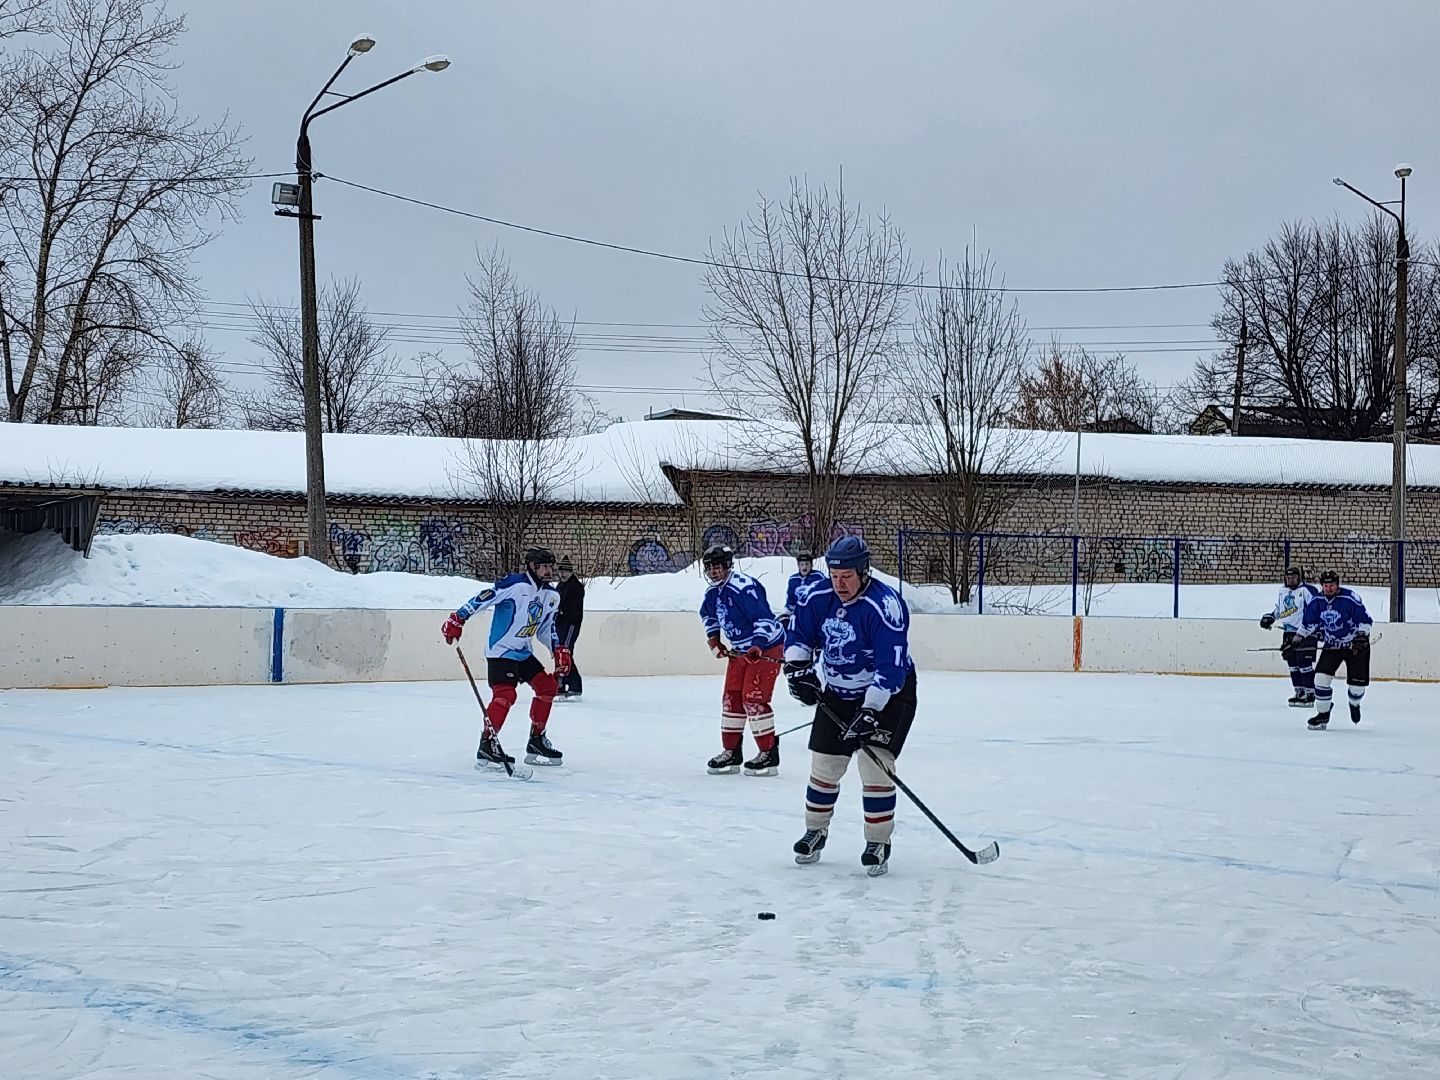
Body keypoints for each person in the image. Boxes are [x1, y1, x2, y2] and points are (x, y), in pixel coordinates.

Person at [783, 535, 915, 877]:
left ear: (864, 572)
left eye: (847, 577)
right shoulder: (817, 596)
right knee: (825, 767)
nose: (839, 584)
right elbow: (799, 637)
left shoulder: (885, 605)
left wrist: (871, 710)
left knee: (876, 768)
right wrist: (798, 670)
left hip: (889, 694)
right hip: (839, 691)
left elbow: (891, 669)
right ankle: (815, 831)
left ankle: (877, 842)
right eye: (834, 575)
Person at [441, 546, 572, 766]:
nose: (549, 571)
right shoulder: (515, 585)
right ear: (532, 566)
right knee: (505, 695)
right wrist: (458, 618)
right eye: (544, 566)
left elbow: (546, 628)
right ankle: (487, 744)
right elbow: (483, 598)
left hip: (523, 652)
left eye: (551, 566)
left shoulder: (552, 596)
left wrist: (558, 649)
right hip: (501, 651)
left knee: (547, 687)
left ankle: (536, 740)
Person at [698, 544, 785, 777]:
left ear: (727, 566)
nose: (713, 572)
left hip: (765, 648)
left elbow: (764, 618)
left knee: (753, 698)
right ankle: (731, 751)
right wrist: (714, 640)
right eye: (709, 568)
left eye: (717, 567)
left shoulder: (744, 588)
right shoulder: (713, 593)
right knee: (732, 699)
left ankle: (768, 753)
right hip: (740, 652)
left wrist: (757, 644)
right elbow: (707, 615)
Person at [1292, 569, 1373, 731]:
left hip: (1355, 646)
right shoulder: (1316, 601)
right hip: (1332, 646)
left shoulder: (1350, 598)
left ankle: (1354, 703)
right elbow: (1309, 624)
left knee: (1357, 688)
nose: (1329, 589)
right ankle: (1323, 713)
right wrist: (1297, 639)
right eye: (1326, 585)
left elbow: (1365, 620)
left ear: (1338, 585)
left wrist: (1362, 636)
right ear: (1322, 586)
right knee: (1320, 679)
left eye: (1332, 585)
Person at [1259, 565, 1319, 707]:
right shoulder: (1282, 591)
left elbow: (1316, 608)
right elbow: (1280, 609)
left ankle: (1310, 693)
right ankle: (1299, 691)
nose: (1291, 580)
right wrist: (1271, 617)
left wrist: (1319, 627)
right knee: (1292, 663)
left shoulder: (1307, 591)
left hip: (1306, 632)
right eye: (1288, 577)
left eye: (1294, 577)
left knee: (1304, 663)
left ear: (1299, 577)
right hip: (1288, 632)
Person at [554, 556, 585, 701]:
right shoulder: (560, 585)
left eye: (566, 572)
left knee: (564, 653)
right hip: (560, 624)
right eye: (561, 572)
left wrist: (561, 611)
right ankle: (568, 685)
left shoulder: (576, 587)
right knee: (563, 653)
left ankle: (567, 685)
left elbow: (573, 609)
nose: (562, 574)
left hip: (570, 624)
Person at [779, 550, 827, 627]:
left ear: (811, 565)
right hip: (798, 615)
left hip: (815, 615)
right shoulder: (793, 580)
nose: (804, 567)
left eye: (807, 564)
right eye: (802, 564)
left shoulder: (819, 577)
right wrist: (785, 615)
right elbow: (790, 602)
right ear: (798, 565)